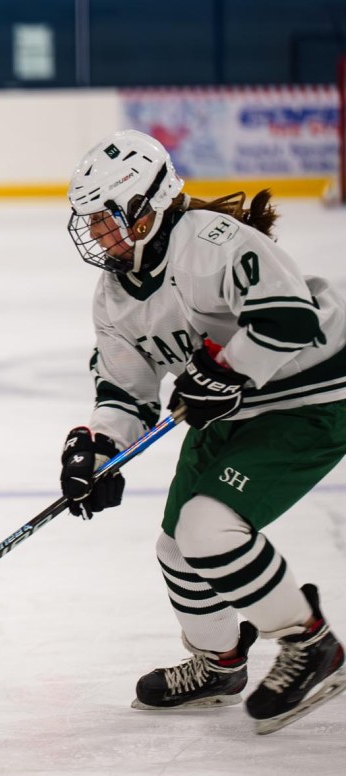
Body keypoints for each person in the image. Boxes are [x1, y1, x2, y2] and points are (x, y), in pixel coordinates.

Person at [59, 129, 346, 733]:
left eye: (109, 219)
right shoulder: (113, 294)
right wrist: (99, 448)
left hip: (309, 395)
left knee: (207, 529)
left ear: (151, 203)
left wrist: (224, 370)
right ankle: (220, 665)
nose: (100, 235)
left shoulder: (212, 243)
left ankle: (310, 644)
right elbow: (125, 389)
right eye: (92, 222)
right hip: (234, 405)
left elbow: (289, 318)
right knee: (178, 549)